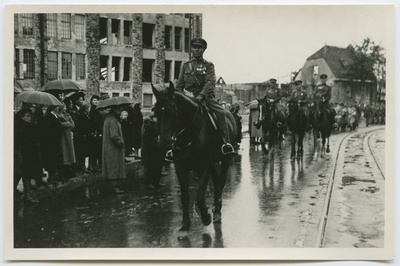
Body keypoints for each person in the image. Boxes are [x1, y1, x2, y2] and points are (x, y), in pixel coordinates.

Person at [175, 37, 235, 155]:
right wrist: (182, 97)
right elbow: (179, 86)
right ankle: (173, 146)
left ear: (204, 50)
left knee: (221, 113)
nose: (197, 50)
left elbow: (209, 83)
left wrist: (201, 96)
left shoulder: (208, 65)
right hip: (189, 98)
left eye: (200, 48)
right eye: (194, 47)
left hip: (206, 98)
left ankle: (225, 143)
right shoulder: (186, 66)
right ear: (191, 49)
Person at [15, 109, 41, 203]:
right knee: (25, 173)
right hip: (24, 152)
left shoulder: (30, 126)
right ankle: (27, 195)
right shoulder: (21, 127)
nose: (29, 118)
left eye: (30, 116)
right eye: (27, 116)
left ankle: (24, 192)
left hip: (29, 152)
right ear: (22, 117)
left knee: (24, 172)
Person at [102, 105, 126, 194]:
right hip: (113, 148)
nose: (120, 110)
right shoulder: (113, 120)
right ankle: (114, 187)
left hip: (108, 147)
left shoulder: (108, 119)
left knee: (110, 167)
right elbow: (114, 135)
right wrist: (121, 142)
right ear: (114, 110)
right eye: (119, 108)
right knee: (114, 167)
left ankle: (110, 187)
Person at [37, 105, 63, 184]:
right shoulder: (49, 117)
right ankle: (51, 178)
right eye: (57, 107)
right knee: (51, 159)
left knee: (54, 159)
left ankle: (53, 177)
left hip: (54, 141)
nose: (58, 108)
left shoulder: (54, 116)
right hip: (51, 142)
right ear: (54, 108)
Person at [141, 114, 165, 189]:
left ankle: (156, 182)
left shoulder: (156, 126)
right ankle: (150, 182)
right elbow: (146, 139)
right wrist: (151, 146)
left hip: (157, 149)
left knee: (158, 166)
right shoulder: (149, 127)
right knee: (151, 166)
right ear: (151, 118)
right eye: (155, 117)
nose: (156, 119)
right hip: (152, 149)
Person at [58, 103, 76, 179]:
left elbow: (73, 124)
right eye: (64, 107)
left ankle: (70, 170)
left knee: (70, 153)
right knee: (64, 153)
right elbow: (60, 124)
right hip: (62, 136)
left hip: (68, 136)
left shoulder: (68, 115)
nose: (65, 108)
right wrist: (68, 123)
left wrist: (68, 124)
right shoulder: (58, 116)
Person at [89, 95, 103, 171]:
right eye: (94, 100)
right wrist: (95, 131)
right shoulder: (92, 111)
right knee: (93, 150)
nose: (96, 102)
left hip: (98, 132)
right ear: (91, 101)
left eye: (97, 100)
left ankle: (95, 165)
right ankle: (92, 165)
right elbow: (92, 122)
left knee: (97, 149)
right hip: (94, 132)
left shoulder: (97, 110)